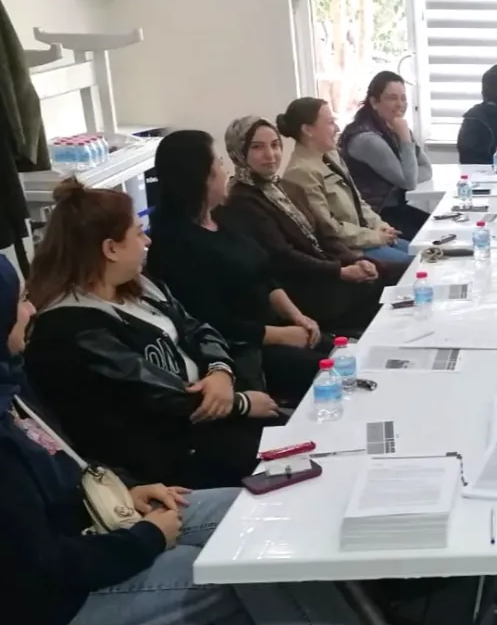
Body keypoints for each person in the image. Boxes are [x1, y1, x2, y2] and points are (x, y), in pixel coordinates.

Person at [0, 250, 431, 625]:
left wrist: (127, 492)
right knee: (248, 568)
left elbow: (60, 468)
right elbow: (38, 566)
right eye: (19, 303)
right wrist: (146, 538)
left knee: (264, 514)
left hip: (96, 526)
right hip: (54, 600)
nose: (31, 309)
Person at [22, 181, 275, 489]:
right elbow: (149, 392)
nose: (148, 240)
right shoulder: (69, 326)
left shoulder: (140, 286)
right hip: (164, 452)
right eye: (139, 232)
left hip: (207, 417)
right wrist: (240, 404)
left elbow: (197, 328)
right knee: (285, 457)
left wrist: (220, 371)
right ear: (110, 249)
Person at [147, 129, 328, 404]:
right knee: (332, 373)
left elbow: (263, 273)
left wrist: (297, 316)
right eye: (219, 163)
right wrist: (281, 335)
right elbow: (212, 322)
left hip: (275, 325)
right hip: (243, 349)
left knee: (347, 352)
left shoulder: (223, 216)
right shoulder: (174, 245)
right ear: (202, 178)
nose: (226, 171)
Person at [219, 116, 392, 337]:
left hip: (328, 272)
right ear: (238, 152)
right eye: (257, 147)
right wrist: (339, 272)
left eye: (275, 145)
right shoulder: (242, 200)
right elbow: (283, 256)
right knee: (390, 288)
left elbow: (324, 235)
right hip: (302, 289)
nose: (270, 154)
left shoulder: (286, 187)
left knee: (391, 273)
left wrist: (355, 261)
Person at [279, 97, 414, 267]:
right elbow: (329, 229)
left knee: (426, 253)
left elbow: (358, 202)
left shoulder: (331, 156)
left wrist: (380, 226)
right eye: (330, 123)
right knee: (417, 264)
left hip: (367, 238)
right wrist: (375, 237)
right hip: (350, 251)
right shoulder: (300, 172)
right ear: (307, 130)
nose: (336, 128)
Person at [339, 71, 433, 240]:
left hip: (395, 209)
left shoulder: (393, 127)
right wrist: (405, 138)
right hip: (375, 217)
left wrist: (408, 172)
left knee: (441, 229)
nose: (400, 104)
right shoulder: (367, 139)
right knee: (433, 239)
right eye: (392, 98)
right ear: (374, 102)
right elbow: (409, 182)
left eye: (403, 98)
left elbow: (426, 168)